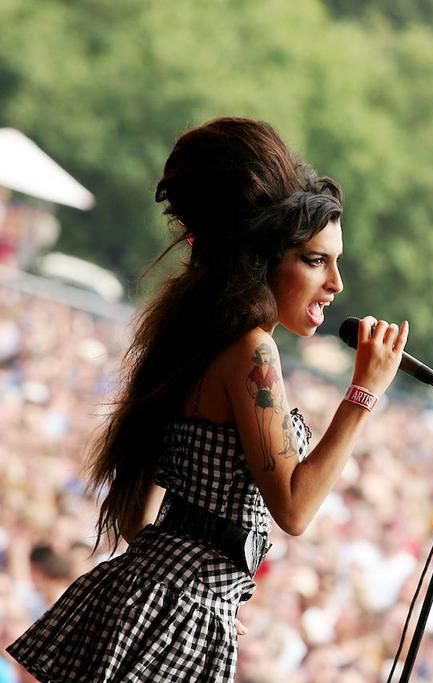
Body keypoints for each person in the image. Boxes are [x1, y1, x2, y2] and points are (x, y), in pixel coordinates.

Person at [5, 117, 409, 682]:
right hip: (174, 611)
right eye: (316, 260)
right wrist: (363, 393)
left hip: (164, 602)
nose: (337, 282)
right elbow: (293, 508)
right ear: (265, 260)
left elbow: (139, 496)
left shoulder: (201, 333)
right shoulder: (253, 352)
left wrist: (201, 585)